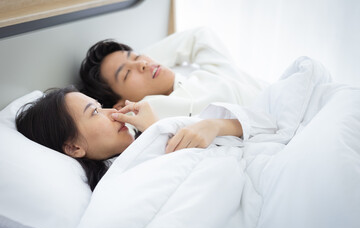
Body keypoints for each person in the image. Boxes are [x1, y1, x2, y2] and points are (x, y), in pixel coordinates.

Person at [15, 86, 243, 191]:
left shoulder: (147, 142)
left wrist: (214, 125)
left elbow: (269, 127)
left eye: (100, 106)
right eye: (94, 113)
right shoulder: (118, 184)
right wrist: (158, 129)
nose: (114, 113)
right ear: (74, 148)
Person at [78, 27, 266, 119]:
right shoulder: (150, 111)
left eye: (136, 56)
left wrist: (143, 62)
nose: (143, 63)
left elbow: (199, 35)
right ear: (120, 106)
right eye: (126, 74)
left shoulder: (211, 70)